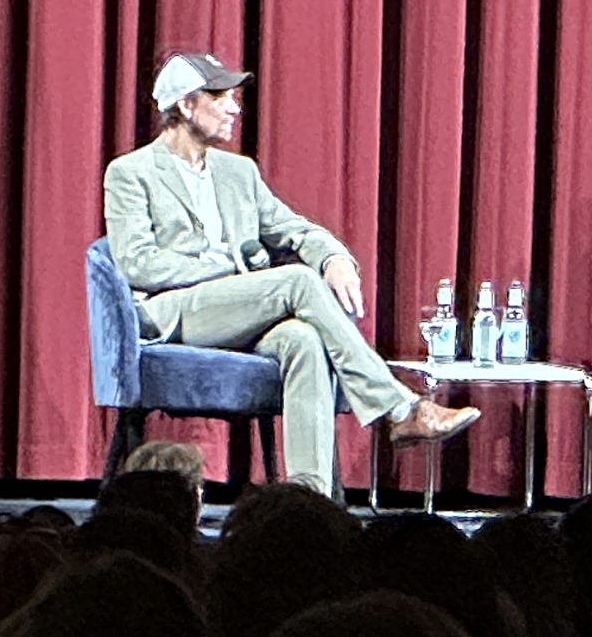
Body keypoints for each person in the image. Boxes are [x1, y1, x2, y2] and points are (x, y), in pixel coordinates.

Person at [103, 52, 477, 500]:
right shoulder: (130, 173)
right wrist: (224, 271)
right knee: (296, 283)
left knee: (304, 339)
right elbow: (137, 262)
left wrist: (332, 257)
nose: (234, 109)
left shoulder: (239, 172)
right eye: (222, 97)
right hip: (176, 310)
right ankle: (399, 408)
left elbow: (294, 228)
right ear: (185, 106)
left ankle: (309, 500)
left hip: (243, 310)